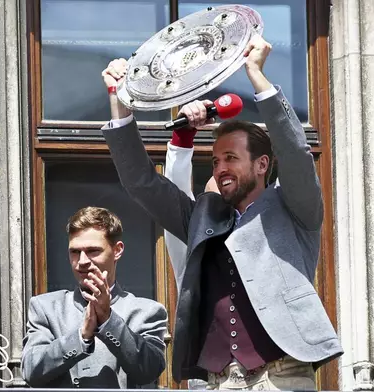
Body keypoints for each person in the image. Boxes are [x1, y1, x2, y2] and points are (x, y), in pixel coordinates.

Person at [100, 35, 343, 390]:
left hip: (282, 376)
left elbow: (294, 152)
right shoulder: (203, 218)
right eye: (215, 161)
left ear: (262, 164)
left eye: (231, 158)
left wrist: (255, 74)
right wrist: (118, 100)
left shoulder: (295, 208)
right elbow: (141, 183)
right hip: (215, 381)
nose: (220, 168)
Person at [21, 206, 167, 388]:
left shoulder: (146, 311)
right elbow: (30, 371)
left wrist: (108, 320)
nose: (82, 261)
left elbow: (149, 370)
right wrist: (81, 337)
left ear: (117, 250)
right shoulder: (46, 307)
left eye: (93, 251)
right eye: (75, 252)